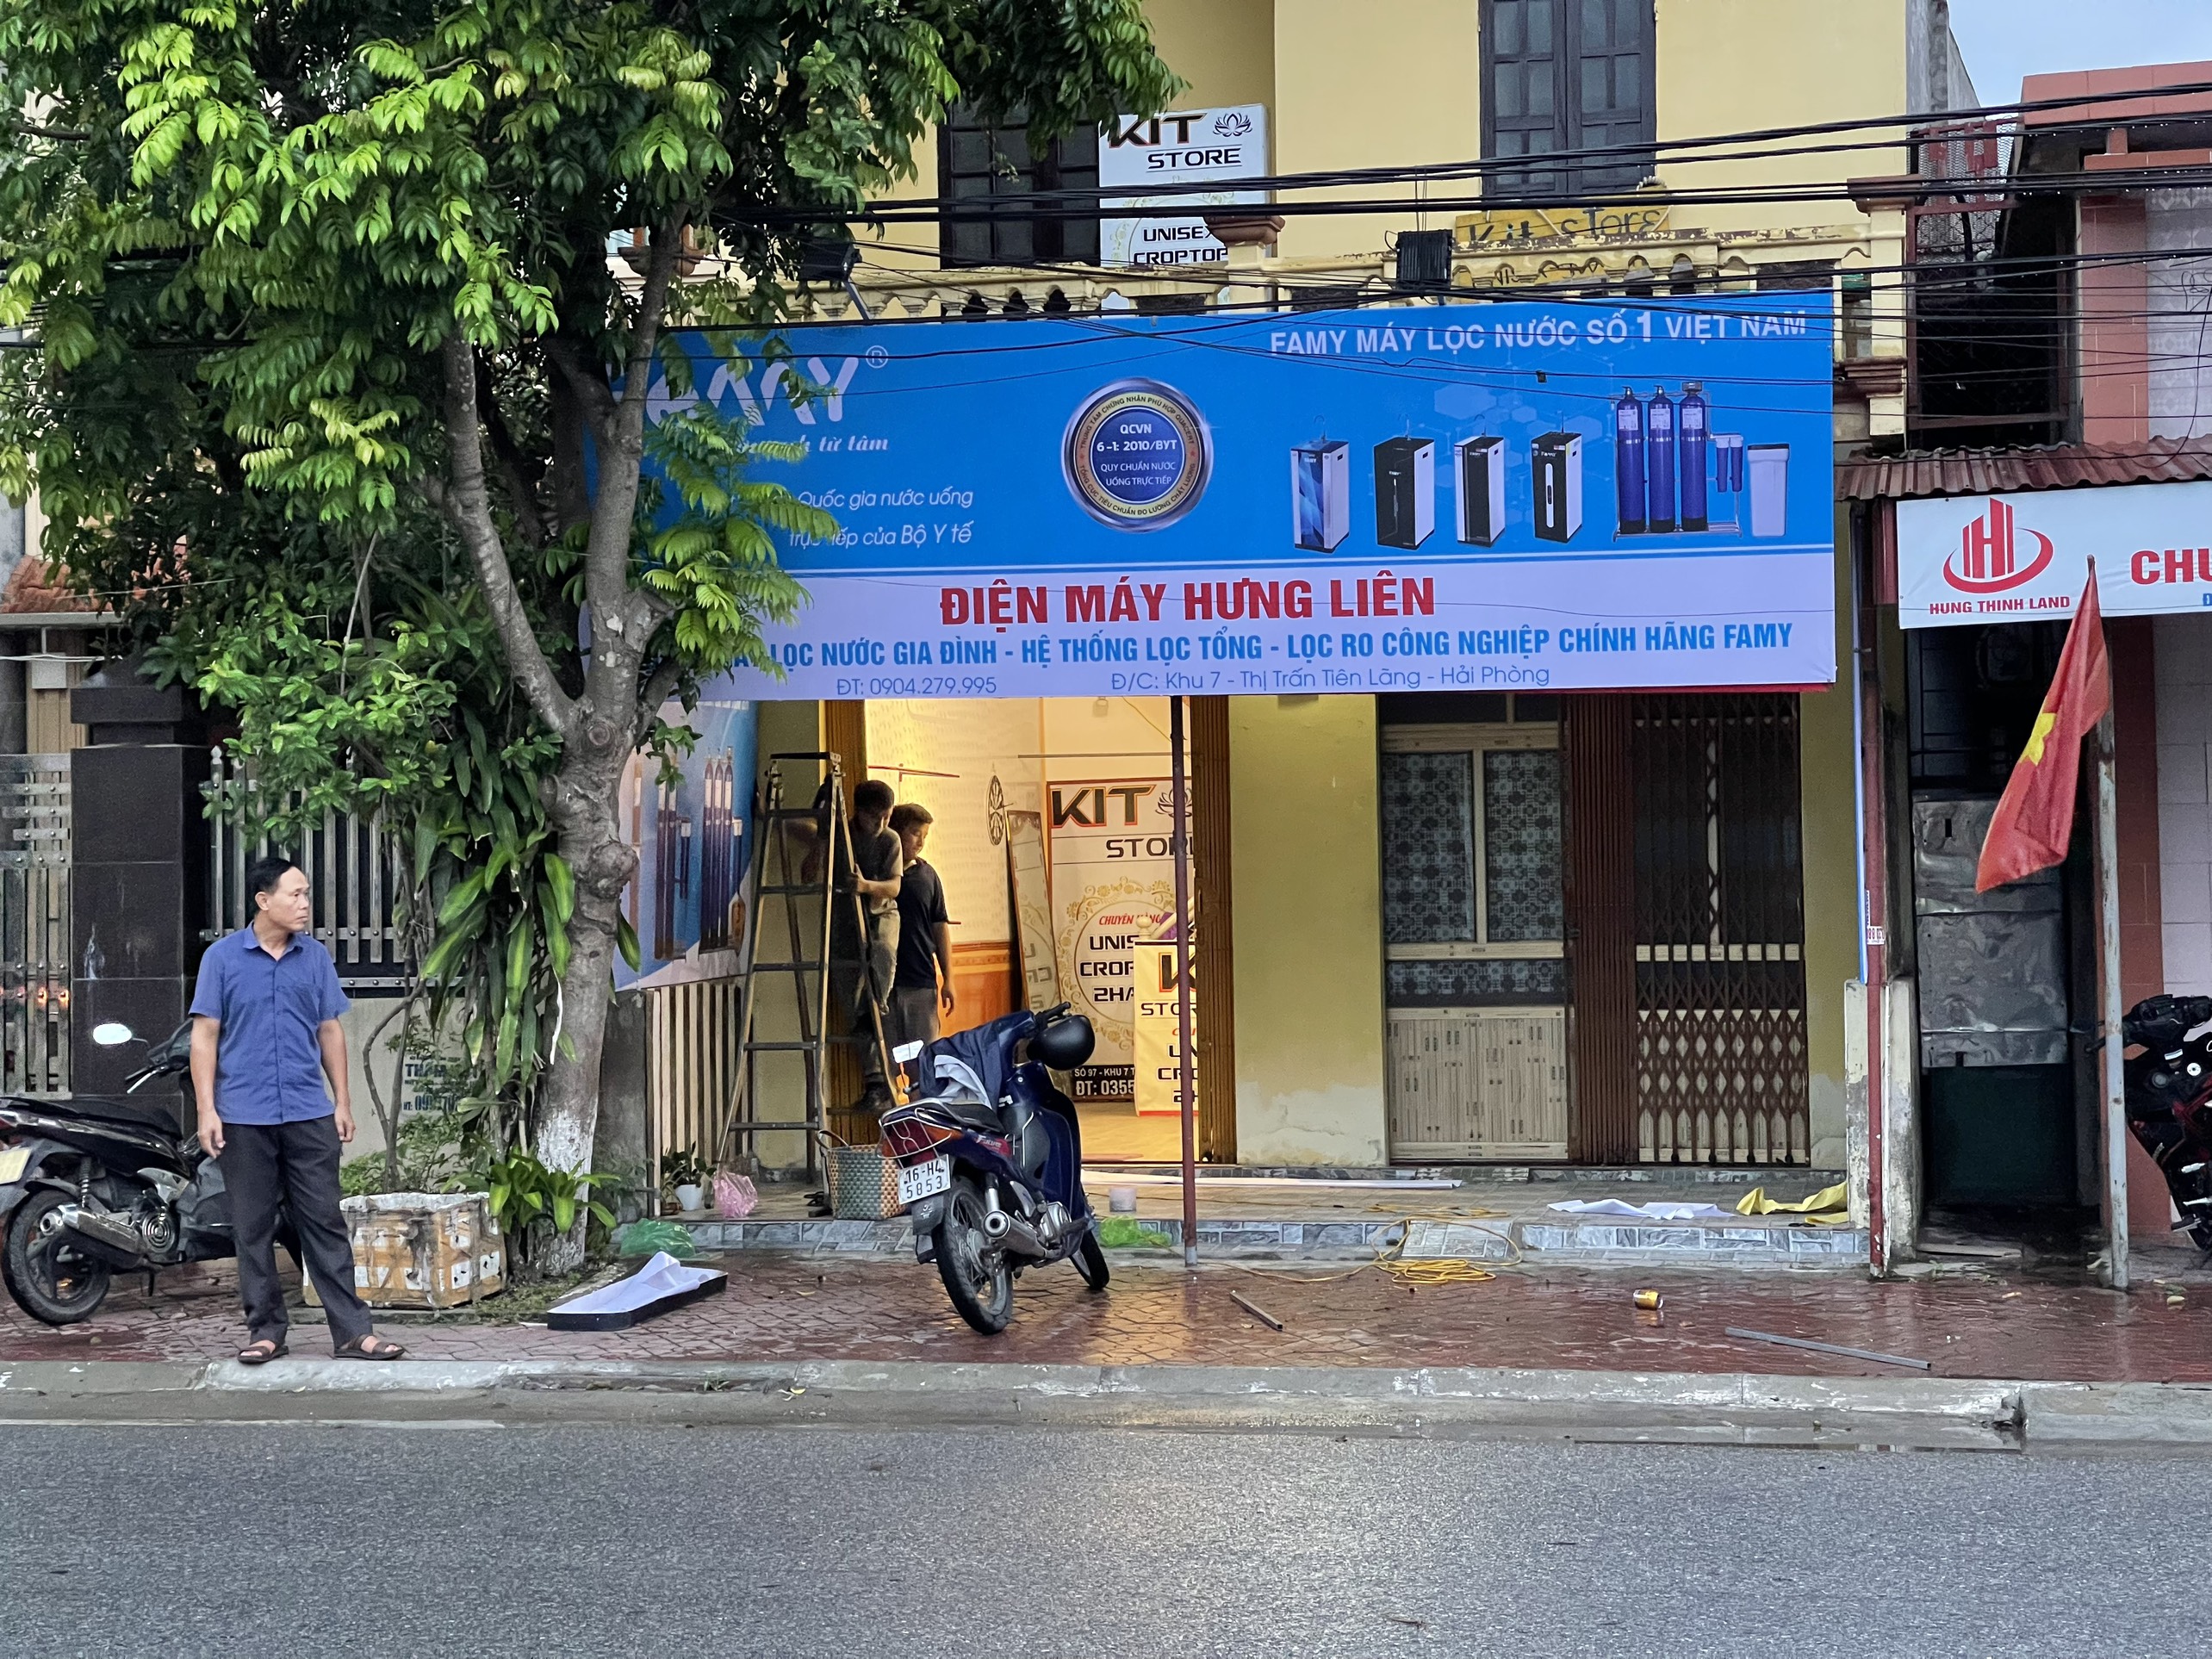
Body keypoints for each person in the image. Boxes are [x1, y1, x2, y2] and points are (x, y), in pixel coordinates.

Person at [190, 855, 405, 1364]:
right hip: (243, 1115)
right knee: (253, 1228)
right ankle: (266, 1332)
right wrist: (206, 1111)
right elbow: (205, 1036)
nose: (306, 903)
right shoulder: (222, 959)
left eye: (306, 894)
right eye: (296, 894)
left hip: (309, 1112)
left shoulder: (315, 958)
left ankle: (353, 1333)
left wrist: (342, 1102)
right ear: (264, 901)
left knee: (324, 1222)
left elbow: (330, 1030)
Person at [827, 778, 903, 1108]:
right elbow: (812, 836)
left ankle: (880, 1002)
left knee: (884, 950)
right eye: (875, 817)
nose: (881, 824)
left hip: (881, 913)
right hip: (845, 922)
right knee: (854, 1002)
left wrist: (867, 886)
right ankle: (875, 1081)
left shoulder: (890, 840)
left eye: (887, 816)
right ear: (858, 812)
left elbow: (894, 887)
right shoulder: (842, 833)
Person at [887, 802, 956, 1052]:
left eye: (924, 836)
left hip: (920, 981)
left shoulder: (927, 876)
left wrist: (949, 979)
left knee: (922, 1058)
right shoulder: (879, 873)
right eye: (915, 833)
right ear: (895, 832)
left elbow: (940, 928)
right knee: (887, 1058)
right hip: (884, 984)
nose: (920, 842)